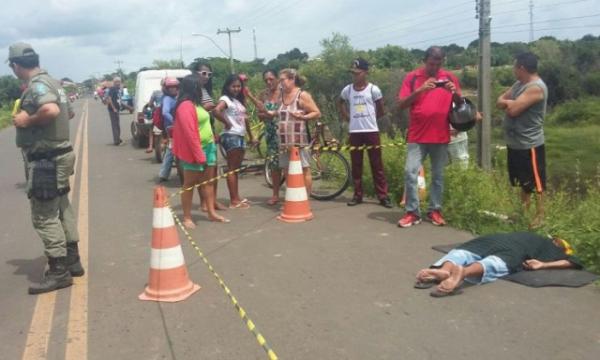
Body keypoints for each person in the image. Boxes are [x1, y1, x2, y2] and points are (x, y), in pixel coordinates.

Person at [8, 42, 84, 294]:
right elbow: (67, 114)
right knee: (62, 207)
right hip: (60, 155)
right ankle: (73, 260)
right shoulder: (55, 83)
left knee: (43, 215)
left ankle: (59, 271)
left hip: (46, 160)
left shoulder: (37, 86)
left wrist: (27, 119)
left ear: (16, 65)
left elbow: (50, 110)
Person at [397, 46, 462, 228]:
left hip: (440, 135)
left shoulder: (450, 77)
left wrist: (454, 93)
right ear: (425, 61)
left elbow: (461, 104)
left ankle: (435, 210)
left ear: (443, 62)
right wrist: (420, 90)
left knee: (438, 176)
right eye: (431, 63)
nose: (434, 67)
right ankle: (412, 212)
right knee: (410, 172)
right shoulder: (412, 78)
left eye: (438, 64)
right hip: (417, 135)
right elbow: (401, 104)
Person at [415, 232, 582, 297]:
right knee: (496, 262)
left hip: (494, 238)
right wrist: (542, 265)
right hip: (516, 249)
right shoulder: (552, 249)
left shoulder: (529, 234)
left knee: (464, 251)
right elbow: (573, 262)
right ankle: (463, 273)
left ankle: (445, 270)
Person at [496, 52, 548, 229]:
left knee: (537, 182)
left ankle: (540, 217)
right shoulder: (519, 84)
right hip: (515, 143)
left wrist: (510, 103)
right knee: (521, 182)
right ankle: (523, 214)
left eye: (514, 67)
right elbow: (499, 101)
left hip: (530, 144)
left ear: (522, 68)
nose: (513, 70)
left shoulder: (536, 87)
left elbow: (513, 111)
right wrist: (510, 102)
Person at [338, 58, 392, 208]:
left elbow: (381, 109)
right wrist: (347, 116)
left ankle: (383, 196)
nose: (355, 76)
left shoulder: (373, 89)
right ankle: (357, 195)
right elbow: (340, 102)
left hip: (371, 131)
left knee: (377, 165)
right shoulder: (348, 89)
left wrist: (372, 118)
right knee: (356, 165)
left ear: (365, 72)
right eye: (353, 73)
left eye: (358, 73)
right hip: (355, 132)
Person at [214, 74, 256, 209]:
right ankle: (233, 201)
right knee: (232, 169)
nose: (236, 89)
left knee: (236, 169)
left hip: (240, 135)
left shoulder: (238, 101)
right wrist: (227, 123)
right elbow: (216, 111)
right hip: (231, 136)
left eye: (238, 86)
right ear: (227, 87)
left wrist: (251, 136)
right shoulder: (225, 99)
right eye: (233, 86)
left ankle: (236, 197)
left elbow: (245, 120)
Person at [277, 68, 321, 195]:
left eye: (282, 80)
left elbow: (317, 112)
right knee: (286, 169)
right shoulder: (281, 96)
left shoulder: (302, 95)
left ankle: (305, 198)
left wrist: (303, 117)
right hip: (284, 141)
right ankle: (293, 197)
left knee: (304, 168)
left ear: (292, 80)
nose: (281, 84)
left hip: (299, 140)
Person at [192, 74, 229, 224]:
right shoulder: (191, 97)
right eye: (203, 73)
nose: (206, 76)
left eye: (209, 74)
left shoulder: (205, 90)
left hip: (209, 136)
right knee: (199, 177)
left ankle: (212, 203)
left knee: (212, 174)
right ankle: (203, 204)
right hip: (198, 141)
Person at [171, 75, 207, 229]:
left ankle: (189, 215)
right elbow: (190, 133)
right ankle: (187, 217)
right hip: (190, 153)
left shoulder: (188, 104)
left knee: (193, 183)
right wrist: (199, 156)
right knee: (189, 184)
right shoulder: (186, 106)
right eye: (199, 87)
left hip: (193, 151)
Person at [258, 70, 282, 205]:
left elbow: (282, 114)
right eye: (266, 80)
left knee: (288, 164)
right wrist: (269, 115)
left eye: (271, 79)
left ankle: (293, 192)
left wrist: (269, 115)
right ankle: (275, 194)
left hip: (284, 132)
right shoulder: (264, 95)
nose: (269, 82)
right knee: (274, 165)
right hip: (270, 133)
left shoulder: (284, 92)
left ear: (277, 79)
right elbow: (260, 115)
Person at [158, 77, 179, 182]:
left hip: (176, 125)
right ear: (166, 88)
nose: (173, 89)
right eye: (170, 87)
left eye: (175, 87)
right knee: (171, 148)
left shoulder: (176, 98)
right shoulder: (167, 99)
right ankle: (164, 173)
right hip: (171, 127)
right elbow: (165, 112)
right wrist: (174, 121)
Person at [145, 87, 164, 153]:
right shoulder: (171, 93)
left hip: (157, 114)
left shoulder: (156, 92)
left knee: (151, 129)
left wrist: (154, 107)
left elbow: (150, 104)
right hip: (166, 115)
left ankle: (150, 146)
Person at [105, 76, 123, 145]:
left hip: (117, 109)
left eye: (119, 82)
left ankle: (118, 138)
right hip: (113, 110)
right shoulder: (112, 88)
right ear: (114, 82)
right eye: (117, 82)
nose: (118, 83)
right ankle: (116, 141)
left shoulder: (117, 89)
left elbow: (118, 99)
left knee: (117, 125)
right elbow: (109, 99)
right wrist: (114, 108)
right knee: (115, 125)